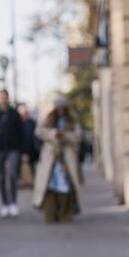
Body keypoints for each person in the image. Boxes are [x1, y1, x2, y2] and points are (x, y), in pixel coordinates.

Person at [33, 95, 82, 223]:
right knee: (50, 185)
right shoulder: (48, 119)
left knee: (66, 184)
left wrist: (64, 136)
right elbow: (39, 131)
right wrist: (52, 134)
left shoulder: (72, 120)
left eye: (62, 108)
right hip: (51, 157)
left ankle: (65, 213)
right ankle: (51, 213)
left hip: (67, 157)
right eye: (58, 108)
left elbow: (78, 135)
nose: (60, 111)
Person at [0, 88, 23, 217]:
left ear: (8, 98)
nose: (3, 99)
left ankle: (13, 203)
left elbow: (20, 133)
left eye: (5, 97)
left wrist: (22, 152)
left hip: (13, 149)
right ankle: (5, 204)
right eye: (1, 97)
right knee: (1, 177)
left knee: (12, 174)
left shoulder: (14, 114)